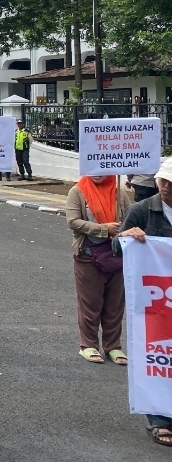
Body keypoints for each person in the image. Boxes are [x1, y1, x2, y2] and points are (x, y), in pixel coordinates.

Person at [116, 157, 172, 447]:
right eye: (163, 182)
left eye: (171, 184)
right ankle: (160, 419)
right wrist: (126, 236)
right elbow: (117, 247)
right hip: (156, 300)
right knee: (158, 356)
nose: (166, 188)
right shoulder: (141, 210)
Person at [66, 173, 130, 365]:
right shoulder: (77, 191)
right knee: (90, 304)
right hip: (88, 255)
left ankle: (113, 346)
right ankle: (88, 345)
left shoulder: (119, 191)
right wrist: (104, 229)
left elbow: (130, 216)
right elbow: (73, 221)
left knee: (115, 305)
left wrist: (123, 228)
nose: (98, 174)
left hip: (116, 256)